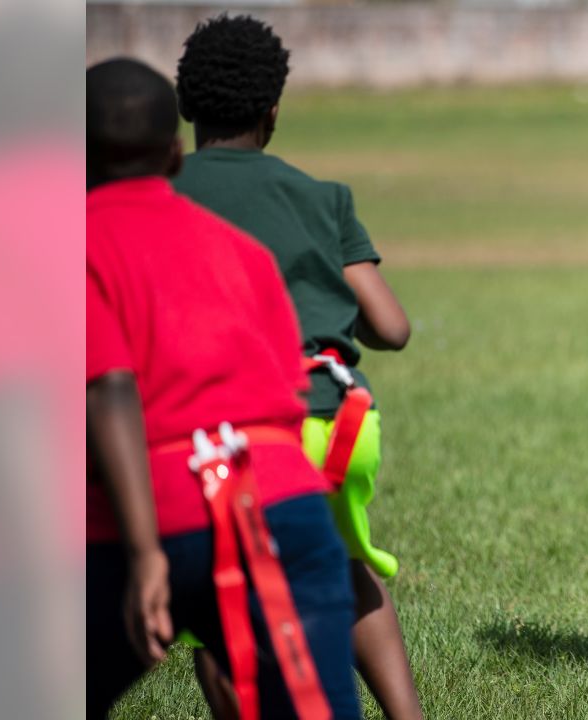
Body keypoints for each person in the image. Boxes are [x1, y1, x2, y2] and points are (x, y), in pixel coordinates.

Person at [86, 57, 360, 718]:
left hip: (147, 515)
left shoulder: (72, 243)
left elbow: (109, 389)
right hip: (281, 505)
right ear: (175, 154)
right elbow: (288, 399)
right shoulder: (242, 252)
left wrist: (148, 553)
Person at [169, 15, 424, 720]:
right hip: (337, 424)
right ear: (273, 109)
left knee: (220, 597)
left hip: (228, 437)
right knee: (346, 568)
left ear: (187, 108)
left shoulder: (164, 195)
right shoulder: (323, 196)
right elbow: (392, 329)